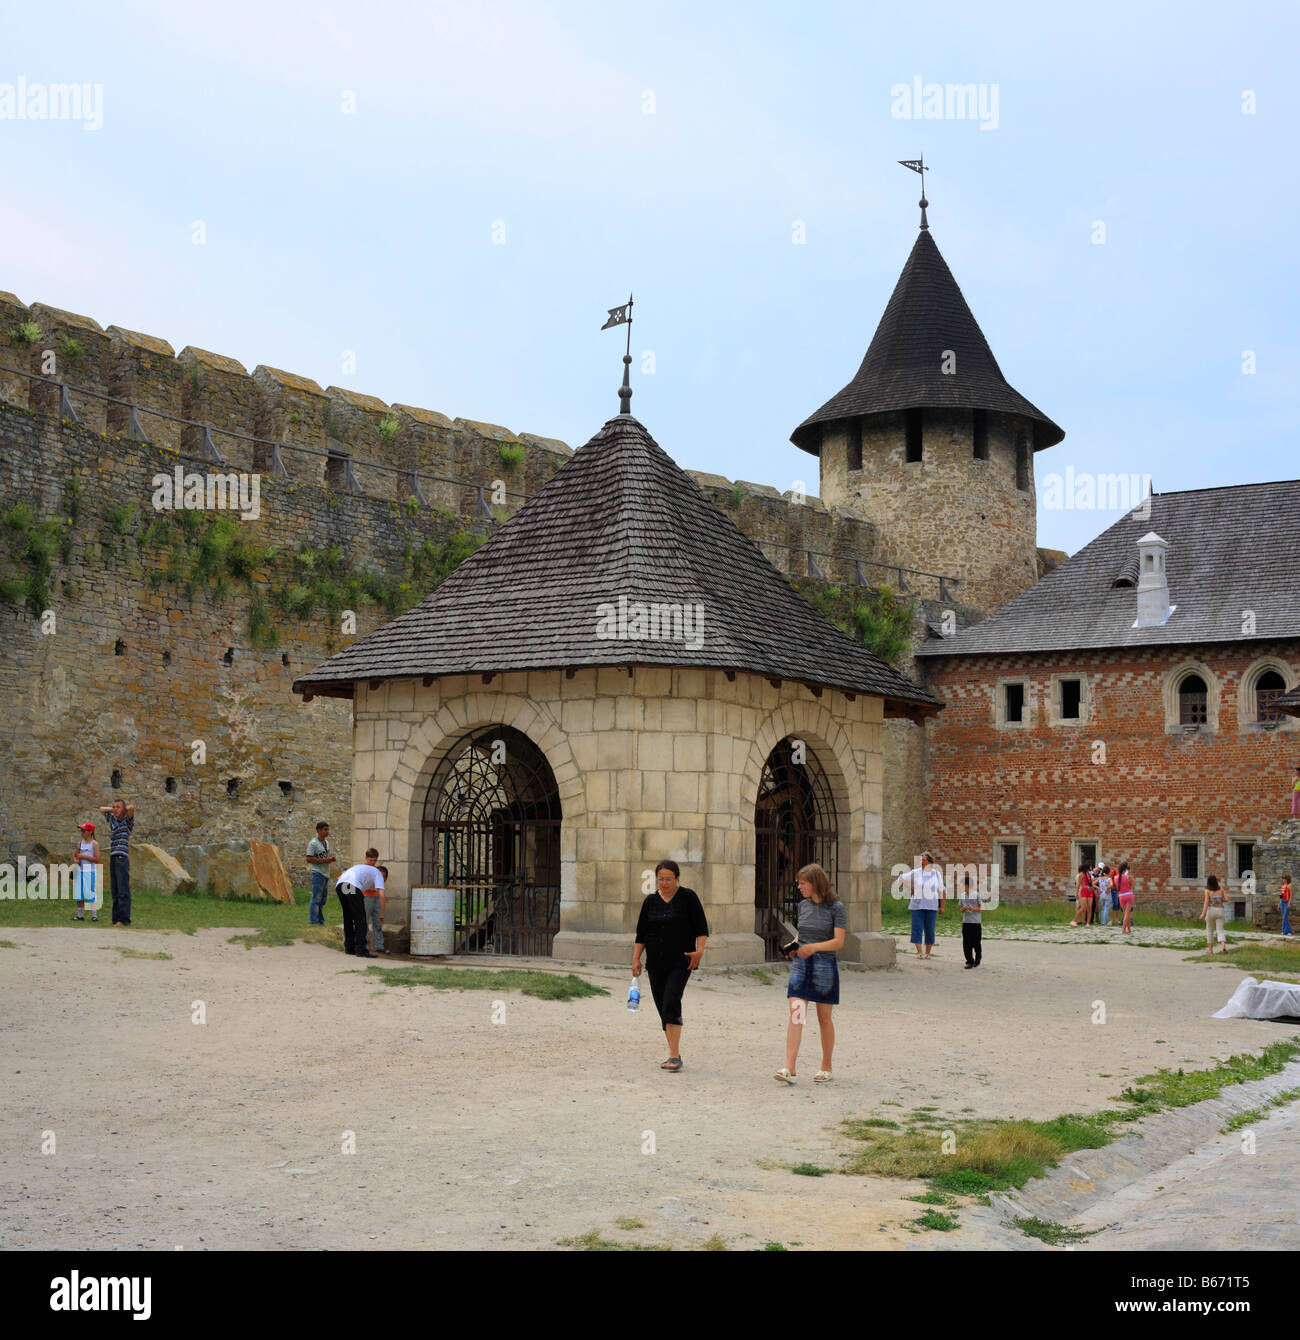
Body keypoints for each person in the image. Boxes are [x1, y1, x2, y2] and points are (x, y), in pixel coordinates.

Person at [632, 860, 709, 1072]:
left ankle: (674, 1056)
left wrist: (700, 951)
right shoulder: (650, 902)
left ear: (677, 878)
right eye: (661, 879)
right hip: (655, 963)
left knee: (671, 1001)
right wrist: (636, 959)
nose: (664, 883)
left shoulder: (688, 898)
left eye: (668, 879)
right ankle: (674, 1051)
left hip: (681, 961)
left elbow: (701, 929)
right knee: (662, 1008)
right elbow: (641, 934)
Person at [774, 863, 845, 1084]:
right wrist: (792, 945)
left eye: (802, 883)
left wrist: (813, 947)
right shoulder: (803, 906)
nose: (799, 886)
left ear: (815, 884)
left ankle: (826, 1066)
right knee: (796, 1014)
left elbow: (839, 941)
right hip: (801, 964)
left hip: (824, 965)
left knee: (824, 1019)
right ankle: (789, 1067)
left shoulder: (836, 908)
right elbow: (802, 935)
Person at [897, 851, 945, 959]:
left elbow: (942, 890)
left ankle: (928, 953)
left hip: (932, 906)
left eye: (923, 860)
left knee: (930, 929)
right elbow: (901, 878)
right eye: (920, 860)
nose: (921, 862)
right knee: (917, 928)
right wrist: (911, 887)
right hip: (917, 906)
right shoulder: (915, 872)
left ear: (929, 861)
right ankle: (919, 952)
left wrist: (942, 906)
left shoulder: (936, 874)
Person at [335, 850, 382, 958]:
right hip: (352, 886)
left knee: (348, 917)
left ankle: (349, 948)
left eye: (374, 860)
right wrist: (382, 912)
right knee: (360, 919)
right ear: (366, 858)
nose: (372, 862)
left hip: (341, 885)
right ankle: (361, 950)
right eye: (371, 860)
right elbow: (382, 893)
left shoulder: (358, 867)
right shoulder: (376, 872)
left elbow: (340, 878)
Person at [98, 798, 135, 926]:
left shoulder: (127, 822)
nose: (115, 809)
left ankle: (124, 920)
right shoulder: (112, 819)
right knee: (115, 890)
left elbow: (131, 808)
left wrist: (122, 810)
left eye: (118, 807)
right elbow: (101, 809)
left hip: (122, 857)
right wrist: (113, 810)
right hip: (113, 856)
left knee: (123, 889)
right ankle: (115, 919)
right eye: (114, 807)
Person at [305, 821, 336, 926]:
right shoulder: (313, 843)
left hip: (325, 873)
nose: (327, 832)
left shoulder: (326, 843)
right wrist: (325, 861)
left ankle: (320, 920)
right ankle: (313, 921)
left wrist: (330, 859)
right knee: (316, 898)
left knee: (323, 900)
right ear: (318, 830)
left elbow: (324, 857)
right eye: (325, 829)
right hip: (317, 873)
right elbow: (308, 858)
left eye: (328, 829)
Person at [71, 822, 100, 922]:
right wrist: (76, 860)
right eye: (81, 830)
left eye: (84, 830)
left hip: (89, 871)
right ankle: (80, 915)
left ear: (90, 832)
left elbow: (97, 859)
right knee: (79, 894)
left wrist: (84, 856)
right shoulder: (79, 843)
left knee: (90, 893)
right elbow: (76, 855)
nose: (82, 832)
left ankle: (94, 915)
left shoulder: (94, 844)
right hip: (80, 870)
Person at [959, 870, 985, 967]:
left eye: (962, 885)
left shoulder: (977, 894)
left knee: (976, 942)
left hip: (975, 922)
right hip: (966, 922)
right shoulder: (962, 895)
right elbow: (961, 908)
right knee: (966, 943)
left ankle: (978, 958)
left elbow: (982, 908)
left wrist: (970, 908)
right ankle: (969, 961)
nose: (961, 887)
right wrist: (963, 909)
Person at [1202, 874, 1227, 955]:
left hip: (1211, 911)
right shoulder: (1221, 889)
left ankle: (1210, 950)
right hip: (1220, 910)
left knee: (1210, 930)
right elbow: (1227, 899)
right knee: (1220, 930)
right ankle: (1223, 947)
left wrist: (1203, 914)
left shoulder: (1207, 890)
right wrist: (1219, 899)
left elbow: (1206, 902)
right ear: (1216, 881)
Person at [366, 864, 389, 954]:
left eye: (383, 876)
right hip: (366, 898)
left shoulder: (380, 887)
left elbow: (382, 897)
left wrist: (382, 914)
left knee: (378, 923)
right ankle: (364, 945)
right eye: (380, 876)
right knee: (365, 922)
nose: (381, 878)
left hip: (377, 899)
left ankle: (380, 946)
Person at [1069, 863, 1093, 927]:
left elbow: (1091, 883)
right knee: (1083, 907)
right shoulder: (1081, 874)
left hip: (1090, 890)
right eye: (1090, 866)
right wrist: (1076, 893)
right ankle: (1074, 920)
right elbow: (1078, 884)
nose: (1091, 868)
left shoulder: (1089, 874)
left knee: (1090, 907)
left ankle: (1088, 923)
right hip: (1084, 890)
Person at [1116, 861, 1135, 934]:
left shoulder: (1116, 877)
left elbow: (1118, 888)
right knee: (1127, 913)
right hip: (1128, 895)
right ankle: (1123, 930)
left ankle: (1129, 929)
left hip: (1121, 896)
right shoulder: (1128, 876)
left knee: (1125, 913)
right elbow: (1133, 884)